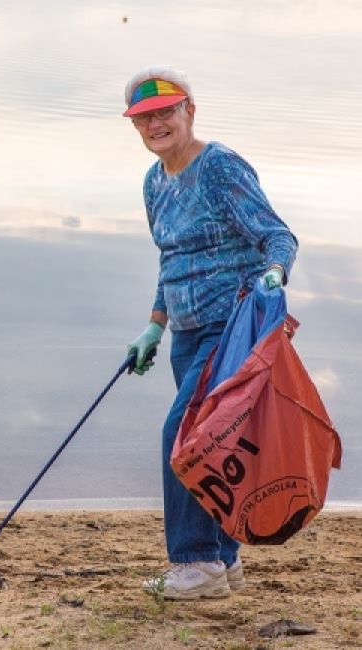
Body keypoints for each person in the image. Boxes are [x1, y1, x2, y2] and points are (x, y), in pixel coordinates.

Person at [121, 66, 298, 599]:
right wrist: (154, 326)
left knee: (183, 438)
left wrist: (273, 274)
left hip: (232, 327)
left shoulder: (219, 166)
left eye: (165, 112)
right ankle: (223, 559)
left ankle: (196, 563)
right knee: (215, 445)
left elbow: (277, 235)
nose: (156, 124)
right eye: (144, 118)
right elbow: (169, 261)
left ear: (189, 110)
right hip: (187, 335)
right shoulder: (154, 182)